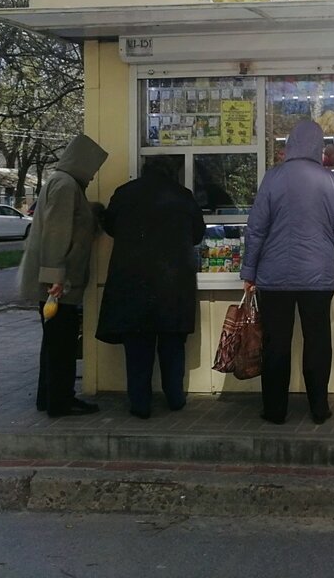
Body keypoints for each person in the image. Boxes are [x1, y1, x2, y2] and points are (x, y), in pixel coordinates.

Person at [240, 119, 334, 425]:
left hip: (274, 277)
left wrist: (249, 271)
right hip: (318, 277)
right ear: (318, 147)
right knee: (318, 341)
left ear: (290, 144)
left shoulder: (273, 178)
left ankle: (275, 409)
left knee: (276, 344)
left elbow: (256, 229)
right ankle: (319, 408)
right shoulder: (329, 181)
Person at [96, 156, 205, 419]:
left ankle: (140, 404)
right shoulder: (183, 196)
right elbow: (198, 234)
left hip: (133, 283)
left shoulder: (125, 193)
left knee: (137, 348)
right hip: (173, 285)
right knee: (172, 344)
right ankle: (175, 397)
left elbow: (110, 226)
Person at [19, 134, 108, 418]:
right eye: (91, 169)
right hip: (60, 285)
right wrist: (55, 278)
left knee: (53, 342)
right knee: (62, 344)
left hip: (56, 282)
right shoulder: (66, 186)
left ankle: (48, 397)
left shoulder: (61, 183)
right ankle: (61, 400)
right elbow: (57, 234)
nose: (92, 176)